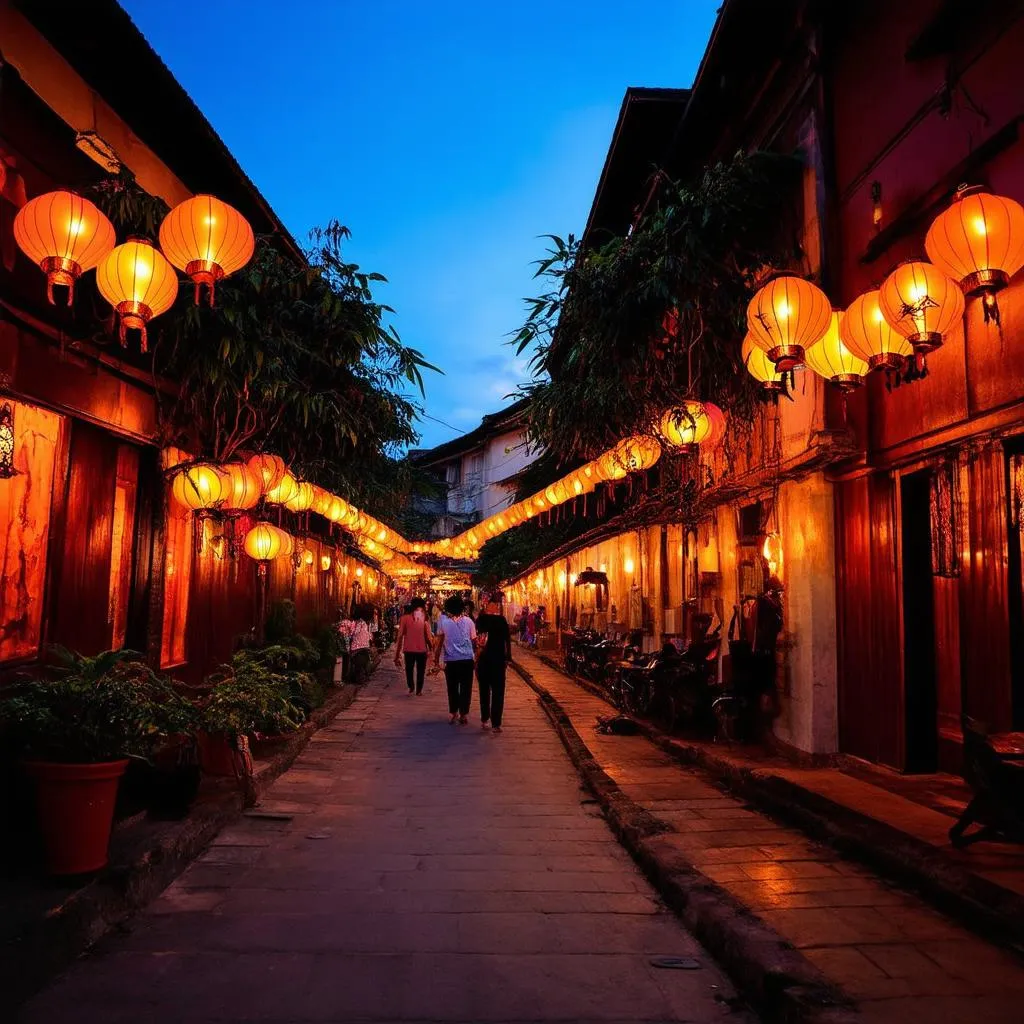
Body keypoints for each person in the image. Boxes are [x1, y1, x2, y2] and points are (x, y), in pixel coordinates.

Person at [433, 594, 476, 725]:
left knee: (452, 687)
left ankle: (454, 713)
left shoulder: (443, 622)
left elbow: (439, 642)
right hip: (467, 660)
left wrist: (436, 660)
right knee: (466, 687)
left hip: (451, 661)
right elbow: (474, 641)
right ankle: (463, 714)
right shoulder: (469, 621)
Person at [475, 594, 512, 733]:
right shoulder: (502, 620)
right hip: (498, 660)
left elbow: (477, 638)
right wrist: (508, 658)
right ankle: (496, 723)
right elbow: (507, 641)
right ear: (495, 606)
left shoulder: (481, 619)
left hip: (485, 659)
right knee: (498, 692)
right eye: (496, 605)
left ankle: (485, 719)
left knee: (484, 690)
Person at [395, 597, 432, 696]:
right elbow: (428, 636)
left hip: (408, 649)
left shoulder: (404, 618)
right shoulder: (425, 618)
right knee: (421, 670)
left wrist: (396, 655)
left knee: (409, 669)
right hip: (422, 649)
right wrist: (431, 648)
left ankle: (411, 686)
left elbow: (399, 637)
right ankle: (419, 690)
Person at [349, 604, 373, 684]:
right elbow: (369, 635)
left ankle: (358, 677)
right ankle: (362, 677)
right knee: (363, 663)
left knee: (358, 664)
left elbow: (353, 632)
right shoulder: (365, 623)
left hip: (357, 646)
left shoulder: (358, 623)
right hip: (365, 645)